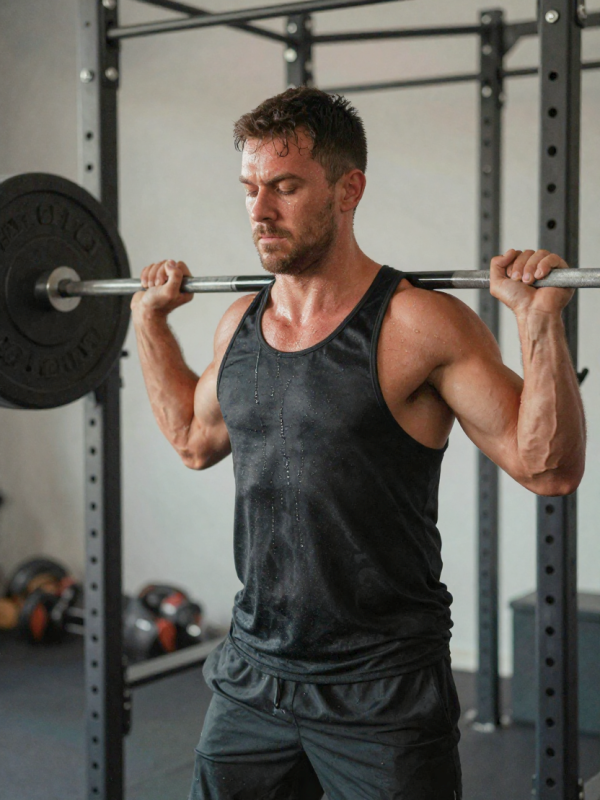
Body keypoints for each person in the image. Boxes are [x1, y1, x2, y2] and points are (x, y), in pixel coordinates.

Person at [131, 88, 586, 800]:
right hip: (254, 676)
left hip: (382, 692)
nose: (259, 210)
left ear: (349, 190)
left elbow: (549, 469)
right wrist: (149, 322)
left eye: (284, 187)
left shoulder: (421, 324)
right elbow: (193, 439)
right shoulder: (238, 327)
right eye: (250, 188)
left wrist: (538, 322)